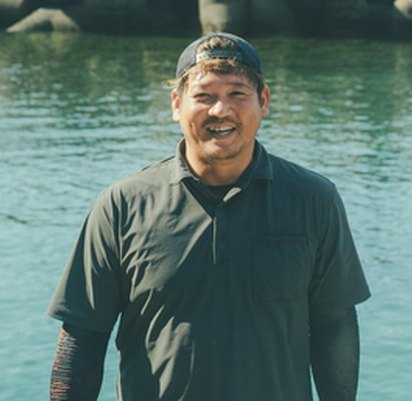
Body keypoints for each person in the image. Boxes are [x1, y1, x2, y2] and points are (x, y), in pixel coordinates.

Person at [48, 32, 370, 401]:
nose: (221, 110)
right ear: (176, 104)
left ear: (263, 101)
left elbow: (335, 325)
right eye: (204, 96)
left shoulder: (314, 199)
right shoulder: (122, 205)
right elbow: (83, 338)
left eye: (238, 94)